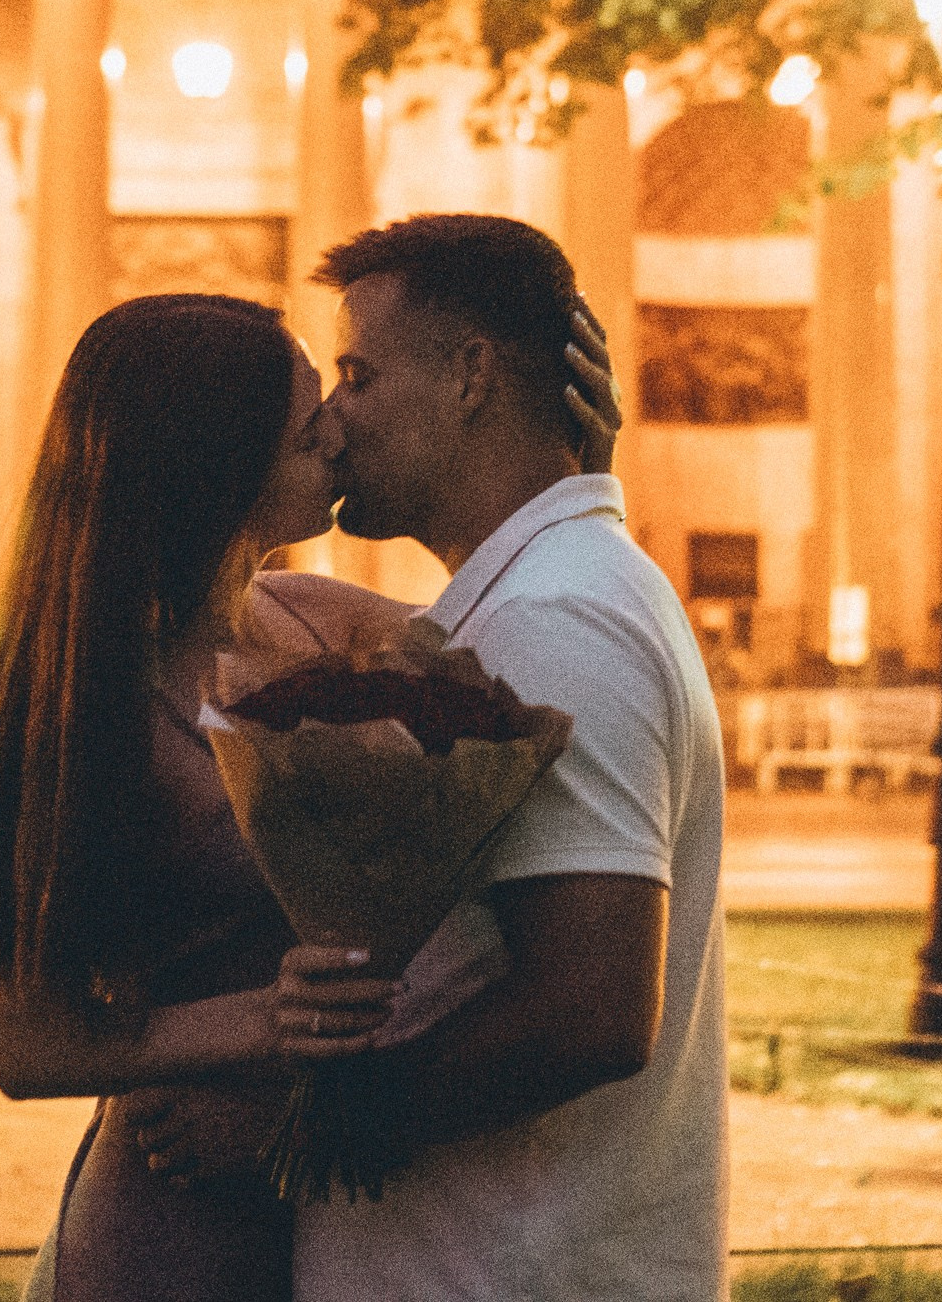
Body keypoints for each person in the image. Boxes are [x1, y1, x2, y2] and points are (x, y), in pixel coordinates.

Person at [0, 289, 621, 1301]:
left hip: (333, 1204)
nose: (336, 429)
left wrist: (562, 479)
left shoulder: (312, 618)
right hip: (175, 1221)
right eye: (303, 429)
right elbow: (22, 1045)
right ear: (215, 471)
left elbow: (510, 621)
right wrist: (262, 1022)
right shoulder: (96, 708)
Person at [280, 214, 730, 1300]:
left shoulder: (560, 613)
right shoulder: (547, 589)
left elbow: (587, 1011)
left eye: (359, 374)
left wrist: (300, 1126)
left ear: (471, 375)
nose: (333, 418)